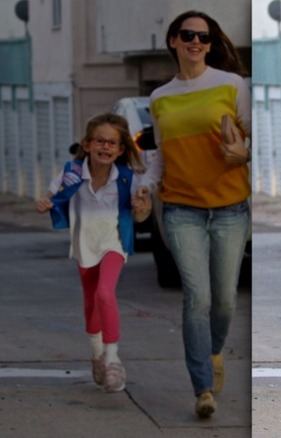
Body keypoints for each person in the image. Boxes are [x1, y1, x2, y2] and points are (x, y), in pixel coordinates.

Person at [142, 10, 251, 419]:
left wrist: (246, 152)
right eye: (188, 35)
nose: (196, 43)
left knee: (224, 301)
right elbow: (160, 158)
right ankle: (202, 387)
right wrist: (144, 188)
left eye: (203, 38)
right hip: (181, 208)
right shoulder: (159, 97)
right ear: (173, 41)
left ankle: (215, 351)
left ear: (210, 43)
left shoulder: (231, 85)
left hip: (230, 207)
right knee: (197, 297)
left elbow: (253, 138)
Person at [35, 113, 152, 394]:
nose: (106, 147)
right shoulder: (72, 172)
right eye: (100, 140)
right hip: (83, 245)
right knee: (91, 302)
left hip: (113, 244)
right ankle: (97, 353)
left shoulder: (127, 179)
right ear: (87, 144)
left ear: (121, 150)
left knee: (104, 294)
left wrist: (141, 208)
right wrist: (44, 204)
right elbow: (52, 197)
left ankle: (113, 359)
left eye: (113, 143)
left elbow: (141, 215)